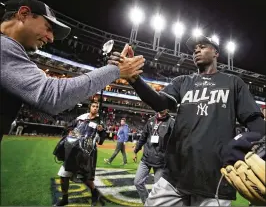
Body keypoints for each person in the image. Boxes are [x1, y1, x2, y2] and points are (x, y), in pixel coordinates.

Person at [110, 36, 265, 206]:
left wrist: (261, 147)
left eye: (203, 46)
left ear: (216, 53)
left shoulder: (233, 83)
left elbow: (254, 120)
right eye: (194, 49)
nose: (196, 50)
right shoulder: (182, 82)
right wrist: (134, 79)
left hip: (215, 180)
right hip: (174, 176)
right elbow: (159, 102)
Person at [0, 0, 145, 142]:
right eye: (48, 28)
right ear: (23, 14)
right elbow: (52, 96)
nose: (51, 38)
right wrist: (115, 70)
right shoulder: (4, 47)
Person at [54, 101, 106, 206]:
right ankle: (65, 199)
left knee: (86, 179)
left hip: (87, 154)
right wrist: (71, 132)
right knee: (63, 175)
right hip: (74, 152)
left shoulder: (100, 122)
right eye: (93, 106)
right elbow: (69, 127)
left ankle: (95, 194)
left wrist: (101, 131)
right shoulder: (81, 118)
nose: (95, 108)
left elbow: (100, 141)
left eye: (97, 107)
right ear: (89, 107)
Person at [133, 109, 175, 204]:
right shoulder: (151, 120)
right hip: (146, 158)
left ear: (167, 109)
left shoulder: (171, 122)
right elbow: (143, 137)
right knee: (137, 182)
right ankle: (147, 202)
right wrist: (136, 150)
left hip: (161, 162)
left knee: (158, 189)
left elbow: (176, 141)